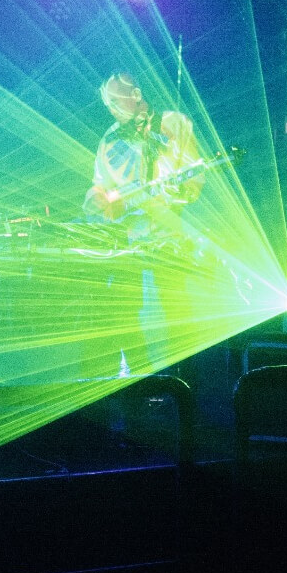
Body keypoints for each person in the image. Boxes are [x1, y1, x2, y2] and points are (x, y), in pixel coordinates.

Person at [81, 72, 204, 373]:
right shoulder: (109, 139)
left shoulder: (174, 124)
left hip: (168, 236)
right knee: (123, 309)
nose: (110, 108)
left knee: (175, 309)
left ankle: (182, 378)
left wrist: (179, 192)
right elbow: (99, 184)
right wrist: (95, 198)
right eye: (107, 103)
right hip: (126, 239)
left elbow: (194, 179)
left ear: (136, 95)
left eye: (115, 100)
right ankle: (140, 375)